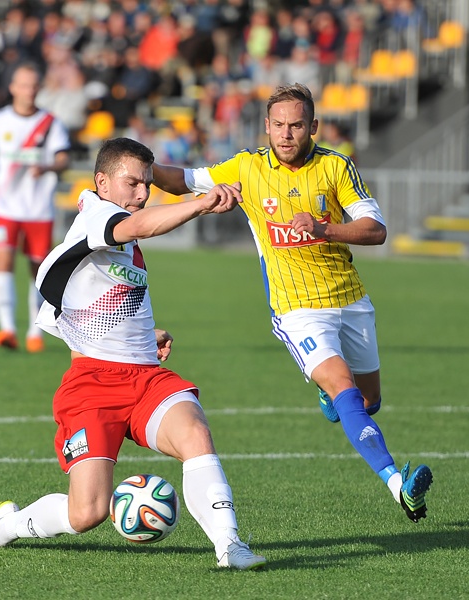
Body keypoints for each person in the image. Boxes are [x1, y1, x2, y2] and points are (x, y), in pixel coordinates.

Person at [0, 137, 266, 571]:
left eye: (147, 184)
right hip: (92, 385)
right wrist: (199, 203)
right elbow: (140, 225)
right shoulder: (99, 214)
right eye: (132, 183)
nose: (142, 193)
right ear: (102, 182)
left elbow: (97, 299)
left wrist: (150, 332)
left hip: (145, 377)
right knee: (86, 513)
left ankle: (230, 546)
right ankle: (8, 525)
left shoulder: (120, 232)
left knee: (195, 435)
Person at [151, 83, 433, 523]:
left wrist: (323, 229)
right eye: (278, 125)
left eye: (296, 125)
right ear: (266, 126)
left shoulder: (336, 167)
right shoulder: (246, 167)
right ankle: (399, 487)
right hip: (297, 308)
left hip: (350, 297)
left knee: (368, 399)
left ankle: (333, 400)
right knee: (345, 389)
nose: (286, 134)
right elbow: (182, 181)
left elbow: (375, 229)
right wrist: (140, 166)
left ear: (313, 127)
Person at [0, 62, 71, 353]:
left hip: (38, 210)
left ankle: (36, 332)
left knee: (38, 271)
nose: (29, 91)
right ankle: (7, 329)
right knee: (3, 263)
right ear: (13, 88)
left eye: (34, 85)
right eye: (24, 85)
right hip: (4, 208)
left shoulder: (50, 122)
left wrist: (46, 166)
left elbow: (63, 159)